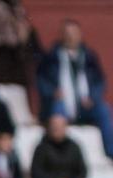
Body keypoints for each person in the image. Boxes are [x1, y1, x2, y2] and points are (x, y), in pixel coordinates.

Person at [36, 19, 113, 158]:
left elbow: (100, 81)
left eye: (74, 33)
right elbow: (41, 80)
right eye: (67, 33)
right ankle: (58, 154)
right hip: (61, 103)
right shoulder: (52, 56)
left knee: (104, 109)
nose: (70, 36)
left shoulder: (89, 56)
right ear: (61, 35)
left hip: (85, 106)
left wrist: (93, 97)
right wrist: (52, 92)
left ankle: (111, 152)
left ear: (80, 34)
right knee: (57, 115)